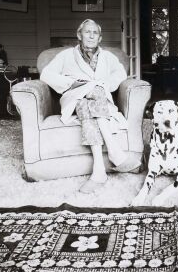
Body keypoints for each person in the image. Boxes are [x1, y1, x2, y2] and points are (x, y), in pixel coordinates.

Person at [40, 19, 141, 193]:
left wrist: (104, 85)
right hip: (74, 97)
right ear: (79, 35)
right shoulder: (65, 56)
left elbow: (120, 74)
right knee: (86, 96)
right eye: (87, 32)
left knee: (90, 100)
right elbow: (47, 74)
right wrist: (73, 83)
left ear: (100, 38)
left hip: (96, 100)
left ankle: (99, 170)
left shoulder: (108, 57)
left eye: (95, 33)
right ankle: (115, 151)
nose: (91, 35)